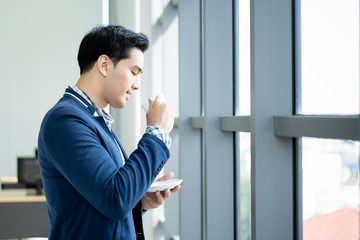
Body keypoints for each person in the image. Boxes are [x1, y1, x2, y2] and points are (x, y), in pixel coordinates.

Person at [38, 25, 180, 240]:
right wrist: (156, 132)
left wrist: (139, 201)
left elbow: (107, 196)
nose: (137, 85)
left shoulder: (93, 119)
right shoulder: (66, 120)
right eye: (134, 72)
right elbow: (115, 199)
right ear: (104, 65)